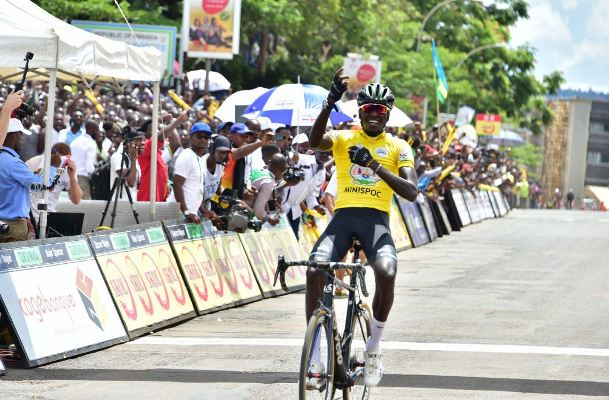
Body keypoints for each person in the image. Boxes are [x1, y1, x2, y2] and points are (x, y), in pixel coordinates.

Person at [307, 69, 418, 387]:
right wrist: (329, 104)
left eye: (380, 110)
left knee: (387, 272)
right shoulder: (344, 138)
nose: (373, 115)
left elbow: (411, 192)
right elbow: (315, 142)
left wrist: (374, 164)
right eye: (368, 109)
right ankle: (315, 351)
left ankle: (373, 348)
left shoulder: (399, 147)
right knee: (315, 268)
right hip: (343, 218)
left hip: (376, 222)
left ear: (387, 115)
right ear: (360, 112)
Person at [0, 119, 45, 242]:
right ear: (13, 136)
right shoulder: (14, 163)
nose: (22, 140)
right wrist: (51, 170)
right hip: (13, 227)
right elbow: (41, 186)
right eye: (21, 135)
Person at [169, 123, 218, 223]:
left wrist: (204, 211)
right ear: (191, 137)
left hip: (189, 213)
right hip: (179, 213)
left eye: (206, 137)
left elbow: (196, 189)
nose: (203, 140)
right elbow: (177, 185)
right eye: (199, 136)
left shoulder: (200, 158)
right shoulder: (187, 156)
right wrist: (186, 212)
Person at [27, 142, 81, 222]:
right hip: (29, 215)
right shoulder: (34, 162)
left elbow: (76, 200)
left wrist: (72, 177)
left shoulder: (68, 169)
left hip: (49, 215)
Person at [248, 153, 288, 225]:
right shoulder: (269, 181)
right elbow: (258, 209)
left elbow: (267, 197)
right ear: (283, 170)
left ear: (269, 162)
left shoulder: (258, 170)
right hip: (243, 213)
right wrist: (269, 219)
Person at [70, 120, 99, 199]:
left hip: (72, 177)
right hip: (82, 179)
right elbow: (89, 167)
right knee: (83, 207)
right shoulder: (91, 144)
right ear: (91, 130)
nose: (98, 133)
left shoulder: (75, 141)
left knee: (73, 205)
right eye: (97, 131)